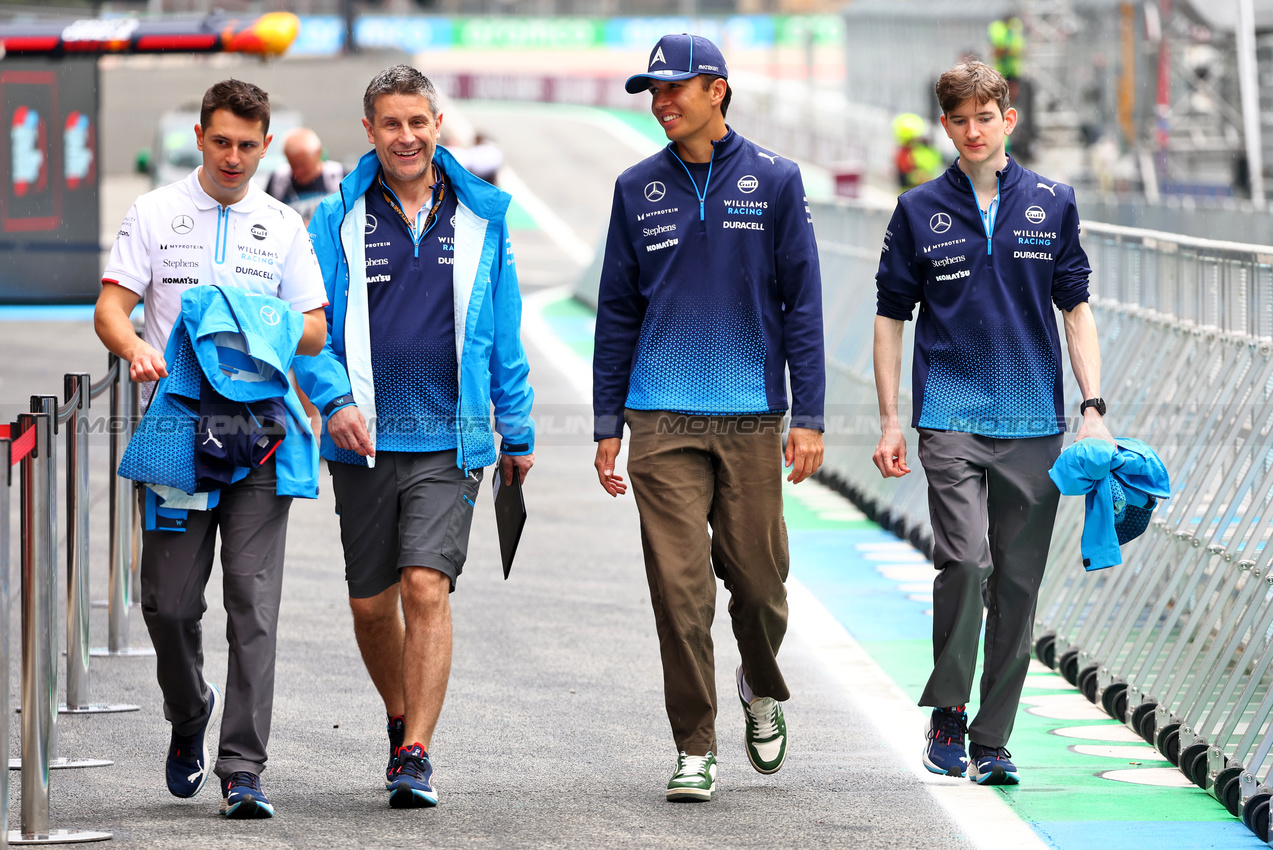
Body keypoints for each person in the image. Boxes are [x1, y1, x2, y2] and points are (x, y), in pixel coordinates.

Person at [292, 64, 535, 809]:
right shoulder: (331, 219)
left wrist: (516, 429)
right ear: (369, 131)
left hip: (448, 441)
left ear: (438, 126)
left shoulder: (483, 218)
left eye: (418, 122)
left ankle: (417, 753)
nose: (406, 136)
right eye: (390, 123)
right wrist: (332, 402)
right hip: (360, 440)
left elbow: (503, 336)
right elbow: (311, 331)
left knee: (426, 586)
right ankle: (399, 721)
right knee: (373, 606)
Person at [592, 33, 825, 802]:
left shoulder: (776, 181)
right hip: (659, 418)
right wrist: (605, 424)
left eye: (674, 88)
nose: (661, 102)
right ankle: (694, 745)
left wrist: (808, 414)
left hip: (754, 415)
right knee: (678, 589)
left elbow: (803, 307)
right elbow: (616, 312)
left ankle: (760, 686)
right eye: (652, 91)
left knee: (758, 585)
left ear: (716, 90)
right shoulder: (634, 189)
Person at [871, 60, 1113, 786]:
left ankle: (991, 739)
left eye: (984, 117)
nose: (971, 130)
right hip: (947, 416)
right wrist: (890, 421)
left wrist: (1092, 409)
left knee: (1016, 582)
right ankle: (947, 708)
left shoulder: (1052, 201)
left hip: (1034, 420)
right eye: (957, 119)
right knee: (966, 560)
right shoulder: (915, 209)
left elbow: (1074, 309)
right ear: (944, 125)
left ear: (1008, 119)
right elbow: (889, 318)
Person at [94, 79, 329, 818]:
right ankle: (190, 712)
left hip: (258, 432)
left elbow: (315, 330)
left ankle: (242, 767)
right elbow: (110, 308)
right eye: (221, 141)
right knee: (166, 606)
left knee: (252, 606)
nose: (233, 157)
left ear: (266, 146)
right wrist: (135, 346)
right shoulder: (154, 213)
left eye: (247, 146)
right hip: (174, 429)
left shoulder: (284, 225)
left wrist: (258, 325)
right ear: (200, 137)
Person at [265, 127, 344, 224]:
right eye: (293, 165)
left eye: (303, 164)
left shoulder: (340, 177)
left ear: (318, 153)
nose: (298, 171)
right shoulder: (278, 181)